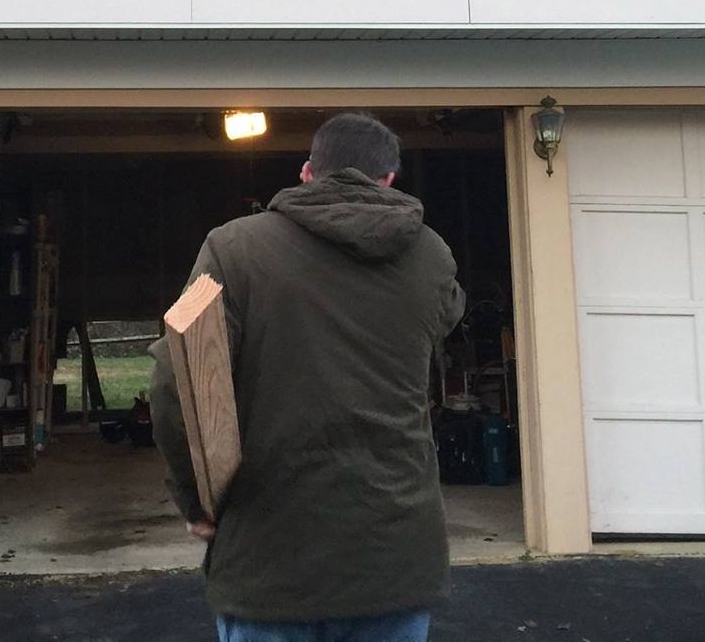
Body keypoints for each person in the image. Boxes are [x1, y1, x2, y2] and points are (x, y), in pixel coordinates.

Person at [150, 112, 467, 642]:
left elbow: (172, 382)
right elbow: (447, 317)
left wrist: (198, 502)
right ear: (389, 180)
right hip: (395, 558)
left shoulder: (235, 249)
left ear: (306, 172)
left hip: (271, 559)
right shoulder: (431, 255)